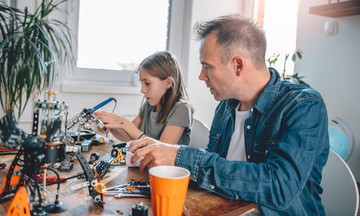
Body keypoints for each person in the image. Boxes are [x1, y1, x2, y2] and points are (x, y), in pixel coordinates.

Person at [128, 14, 330, 215]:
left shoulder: (303, 106)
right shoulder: (226, 107)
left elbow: (279, 187)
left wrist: (181, 156)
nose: (201, 76)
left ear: (238, 65)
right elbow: (213, 166)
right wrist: (169, 160)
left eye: (207, 66)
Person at [95, 51, 193, 145]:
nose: (142, 90)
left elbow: (162, 149)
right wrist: (112, 125)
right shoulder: (148, 106)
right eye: (141, 83)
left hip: (167, 163)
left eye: (147, 83)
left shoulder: (182, 108)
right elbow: (126, 136)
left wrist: (124, 123)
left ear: (168, 83)